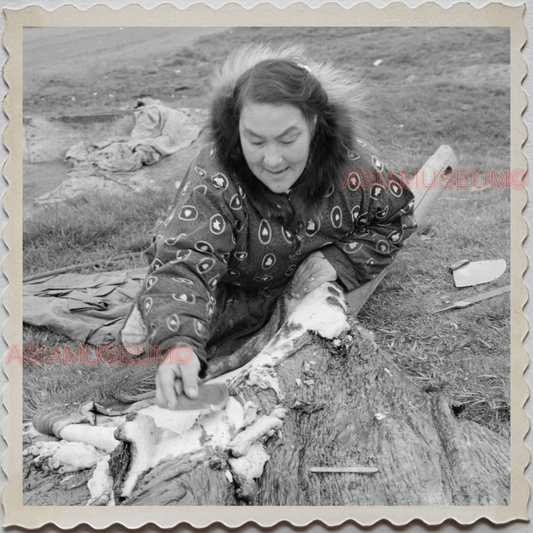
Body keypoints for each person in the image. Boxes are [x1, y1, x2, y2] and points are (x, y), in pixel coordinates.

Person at [121, 44, 417, 410]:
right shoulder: (214, 174)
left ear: (314, 124)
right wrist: (180, 342)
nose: (272, 160)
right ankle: (153, 306)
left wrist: (341, 260)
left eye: (288, 139)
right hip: (228, 285)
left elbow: (396, 218)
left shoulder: (355, 166)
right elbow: (185, 259)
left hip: (292, 283)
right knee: (176, 311)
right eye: (256, 141)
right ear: (236, 130)